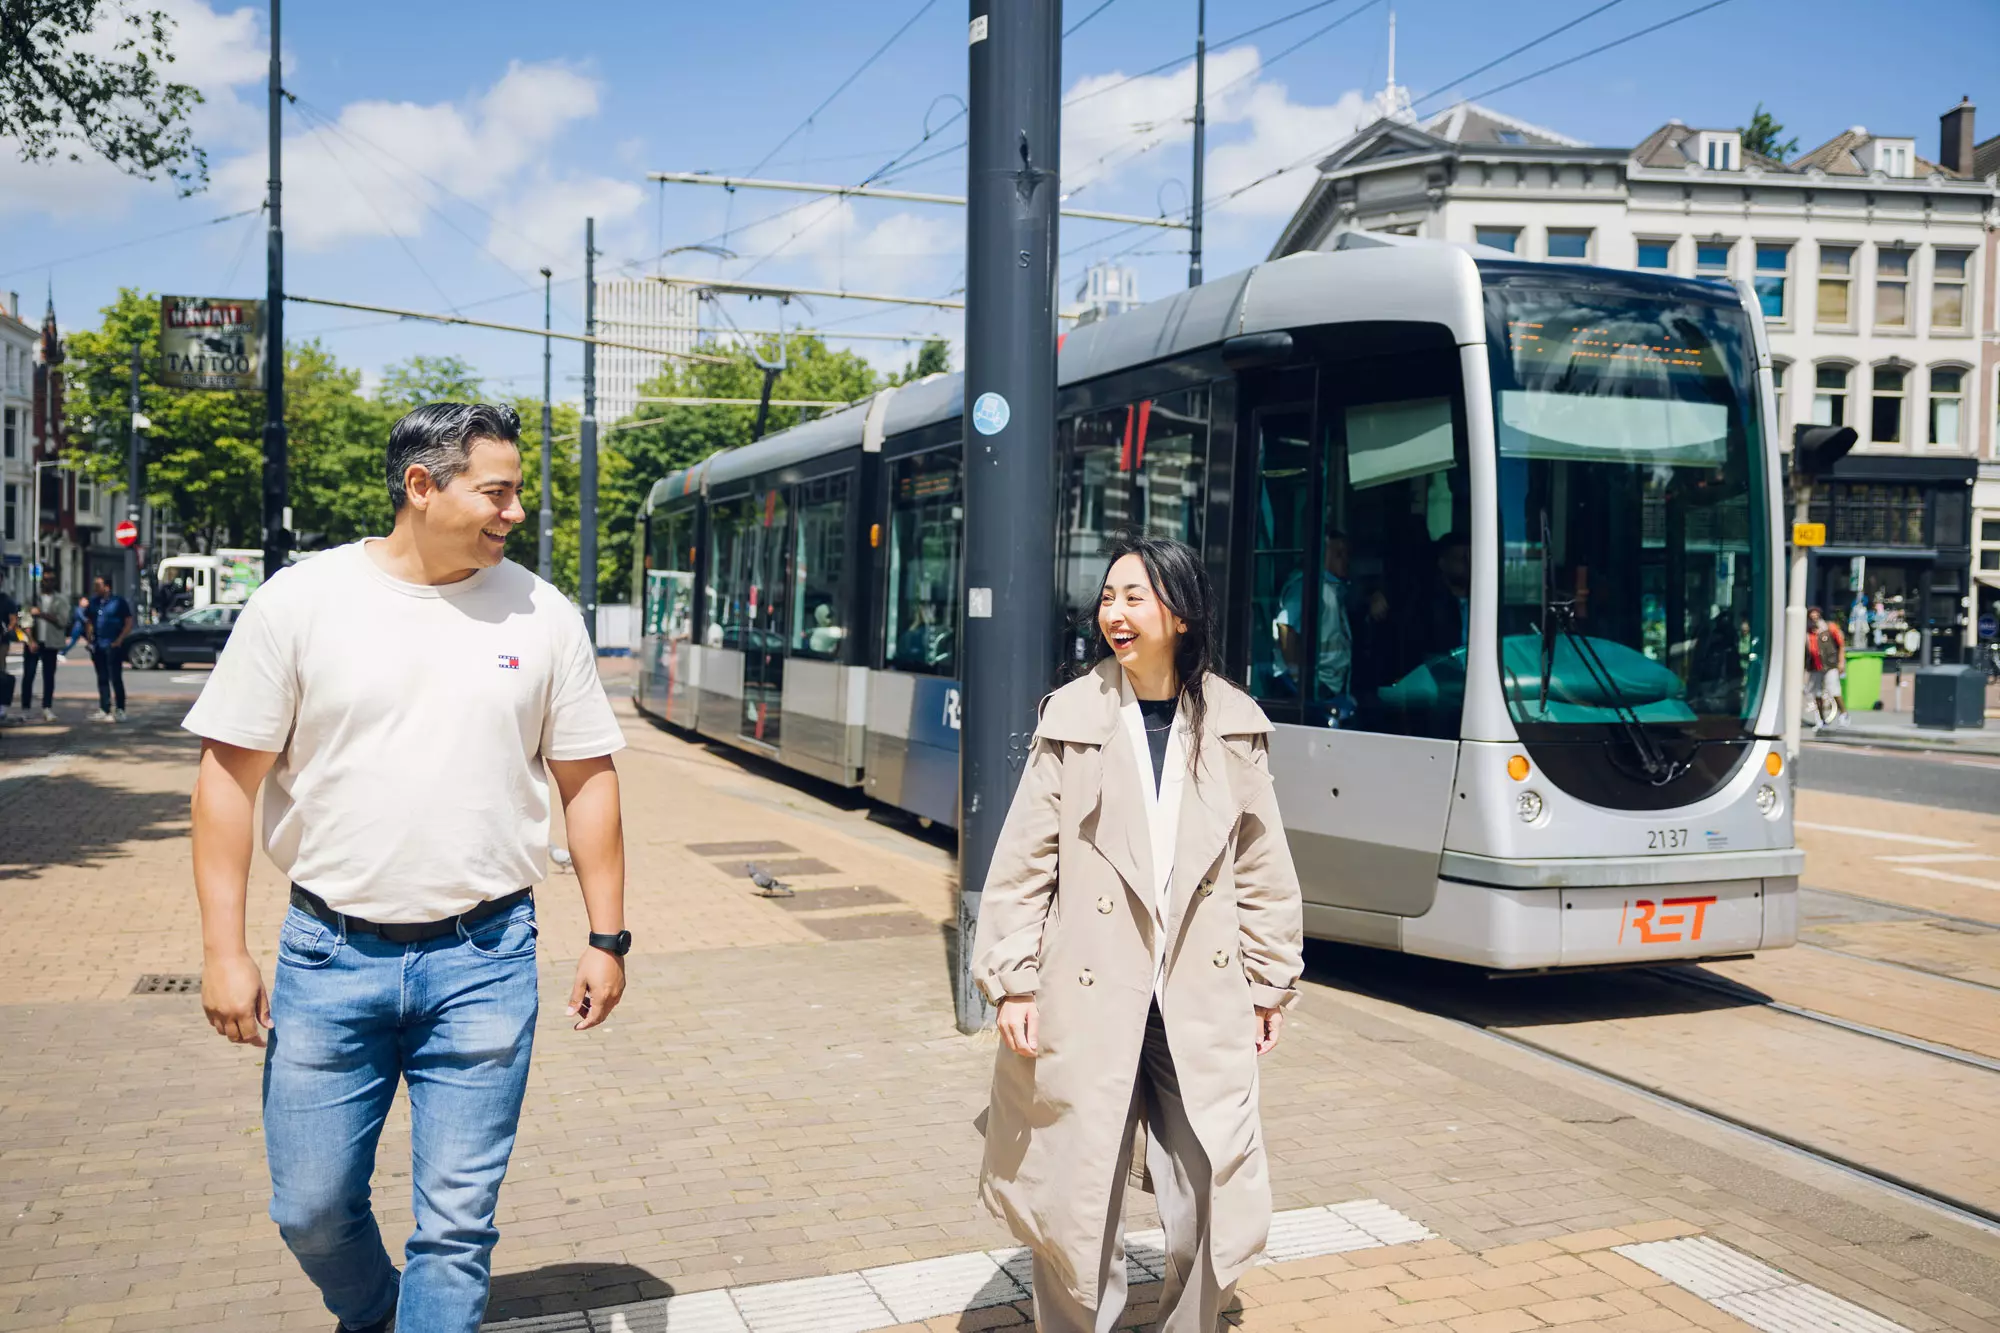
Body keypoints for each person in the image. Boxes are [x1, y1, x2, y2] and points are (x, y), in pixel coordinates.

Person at [185, 402, 632, 1333]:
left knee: (457, 1226)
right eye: (496, 491)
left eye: (518, 492)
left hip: (487, 956)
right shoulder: (301, 601)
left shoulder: (543, 612)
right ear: (421, 487)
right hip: (327, 953)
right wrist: (223, 949)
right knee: (308, 1209)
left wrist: (607, 935)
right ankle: (377, 1313)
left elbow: (587, 778)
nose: (515, 513)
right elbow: (227, 781)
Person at [974, 534, 1305, 1333]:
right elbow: (1024, 859)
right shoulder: (1075, 717)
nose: (1113, 615)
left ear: (1181, 614)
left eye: (1134, 597)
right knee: (1080, 1187)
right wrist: (1014, 978)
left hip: (1197, 993)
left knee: (1215, 1186)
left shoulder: (1232, 724)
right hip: (1088, 991)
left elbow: (1262, 866)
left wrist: (1269, 981)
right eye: (1108, 598)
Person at [1271, 532, 1387, 722]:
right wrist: (1298, 679)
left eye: (1346, 554)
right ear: (1320, 555)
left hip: (1327, 686)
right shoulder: (1307, 586)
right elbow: (1286, 626)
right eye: (1338, 554)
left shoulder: (1334, 588)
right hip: (1308, 688)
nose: (1345, 560)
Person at [83, 574, 134, 722]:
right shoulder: (94, 603)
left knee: (115, 677)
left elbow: (128, 622)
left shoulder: (118, 602)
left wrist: (119, 640)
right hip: (98, 645)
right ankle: (104, 707)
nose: (95, 588)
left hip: (113, 644)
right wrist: (89, 638)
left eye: (98, 585)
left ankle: (120, 708)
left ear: (107, 587)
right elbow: (89, 620)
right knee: (102, 678)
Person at [27, 573, 67, 721]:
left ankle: (47, 707)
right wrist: (30, 640)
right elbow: (25, 620)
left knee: (49, 676)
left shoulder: (60, 600)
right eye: (45, 580)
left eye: (51, 580)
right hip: (34, 642)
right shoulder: (33, 598)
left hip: (51, 642)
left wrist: (42, 614)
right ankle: (26, 708)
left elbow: (63, 621)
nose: (47, 583)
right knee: (29, 674)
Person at [1804, 605, 1846, 727]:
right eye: (1811, 617)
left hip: (1830, 665)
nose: (1814, 620)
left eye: (1816, 616)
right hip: (1814, 667)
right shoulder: (1808, 633)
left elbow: (1841, 645)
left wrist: (1841, 661)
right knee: (1816, 693)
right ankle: (1821, 719)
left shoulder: (1829, 628)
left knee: (1834, 690)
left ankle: (1843, 713)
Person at [0, 585, 20, 725]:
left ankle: (1, 710)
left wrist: (8, 630)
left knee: (1, 674)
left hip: (2, 642)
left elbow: (13, 619)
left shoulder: (6, 600)